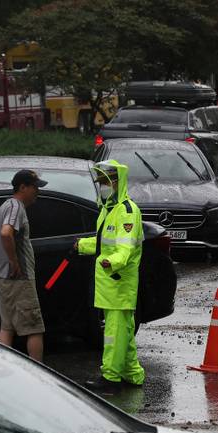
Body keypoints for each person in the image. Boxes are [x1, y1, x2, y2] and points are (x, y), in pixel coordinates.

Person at [75, 160, 145, 392]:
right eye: (100, 182)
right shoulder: (109, 209)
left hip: (118, 282)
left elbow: (124, 250)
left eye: (105, 181)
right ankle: (132, 373)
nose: (102, 185)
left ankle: (111, 378)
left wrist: (110, 262)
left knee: (114, 334)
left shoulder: (126, 212)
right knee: (124, 331)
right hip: (110, 283)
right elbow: (102, 243)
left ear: (117, 182)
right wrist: (81, 246)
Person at [0, 169, 47, 361]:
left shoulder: (5, 206)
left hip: (3, 278)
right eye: (35, 187)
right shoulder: (15, 207)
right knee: (34, 328)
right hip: (20, 279)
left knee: (7, 327)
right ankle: (40, 373)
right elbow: (5, 232)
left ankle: (5, 366)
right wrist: (12, 260)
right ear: (22, 187)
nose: (37, 191)